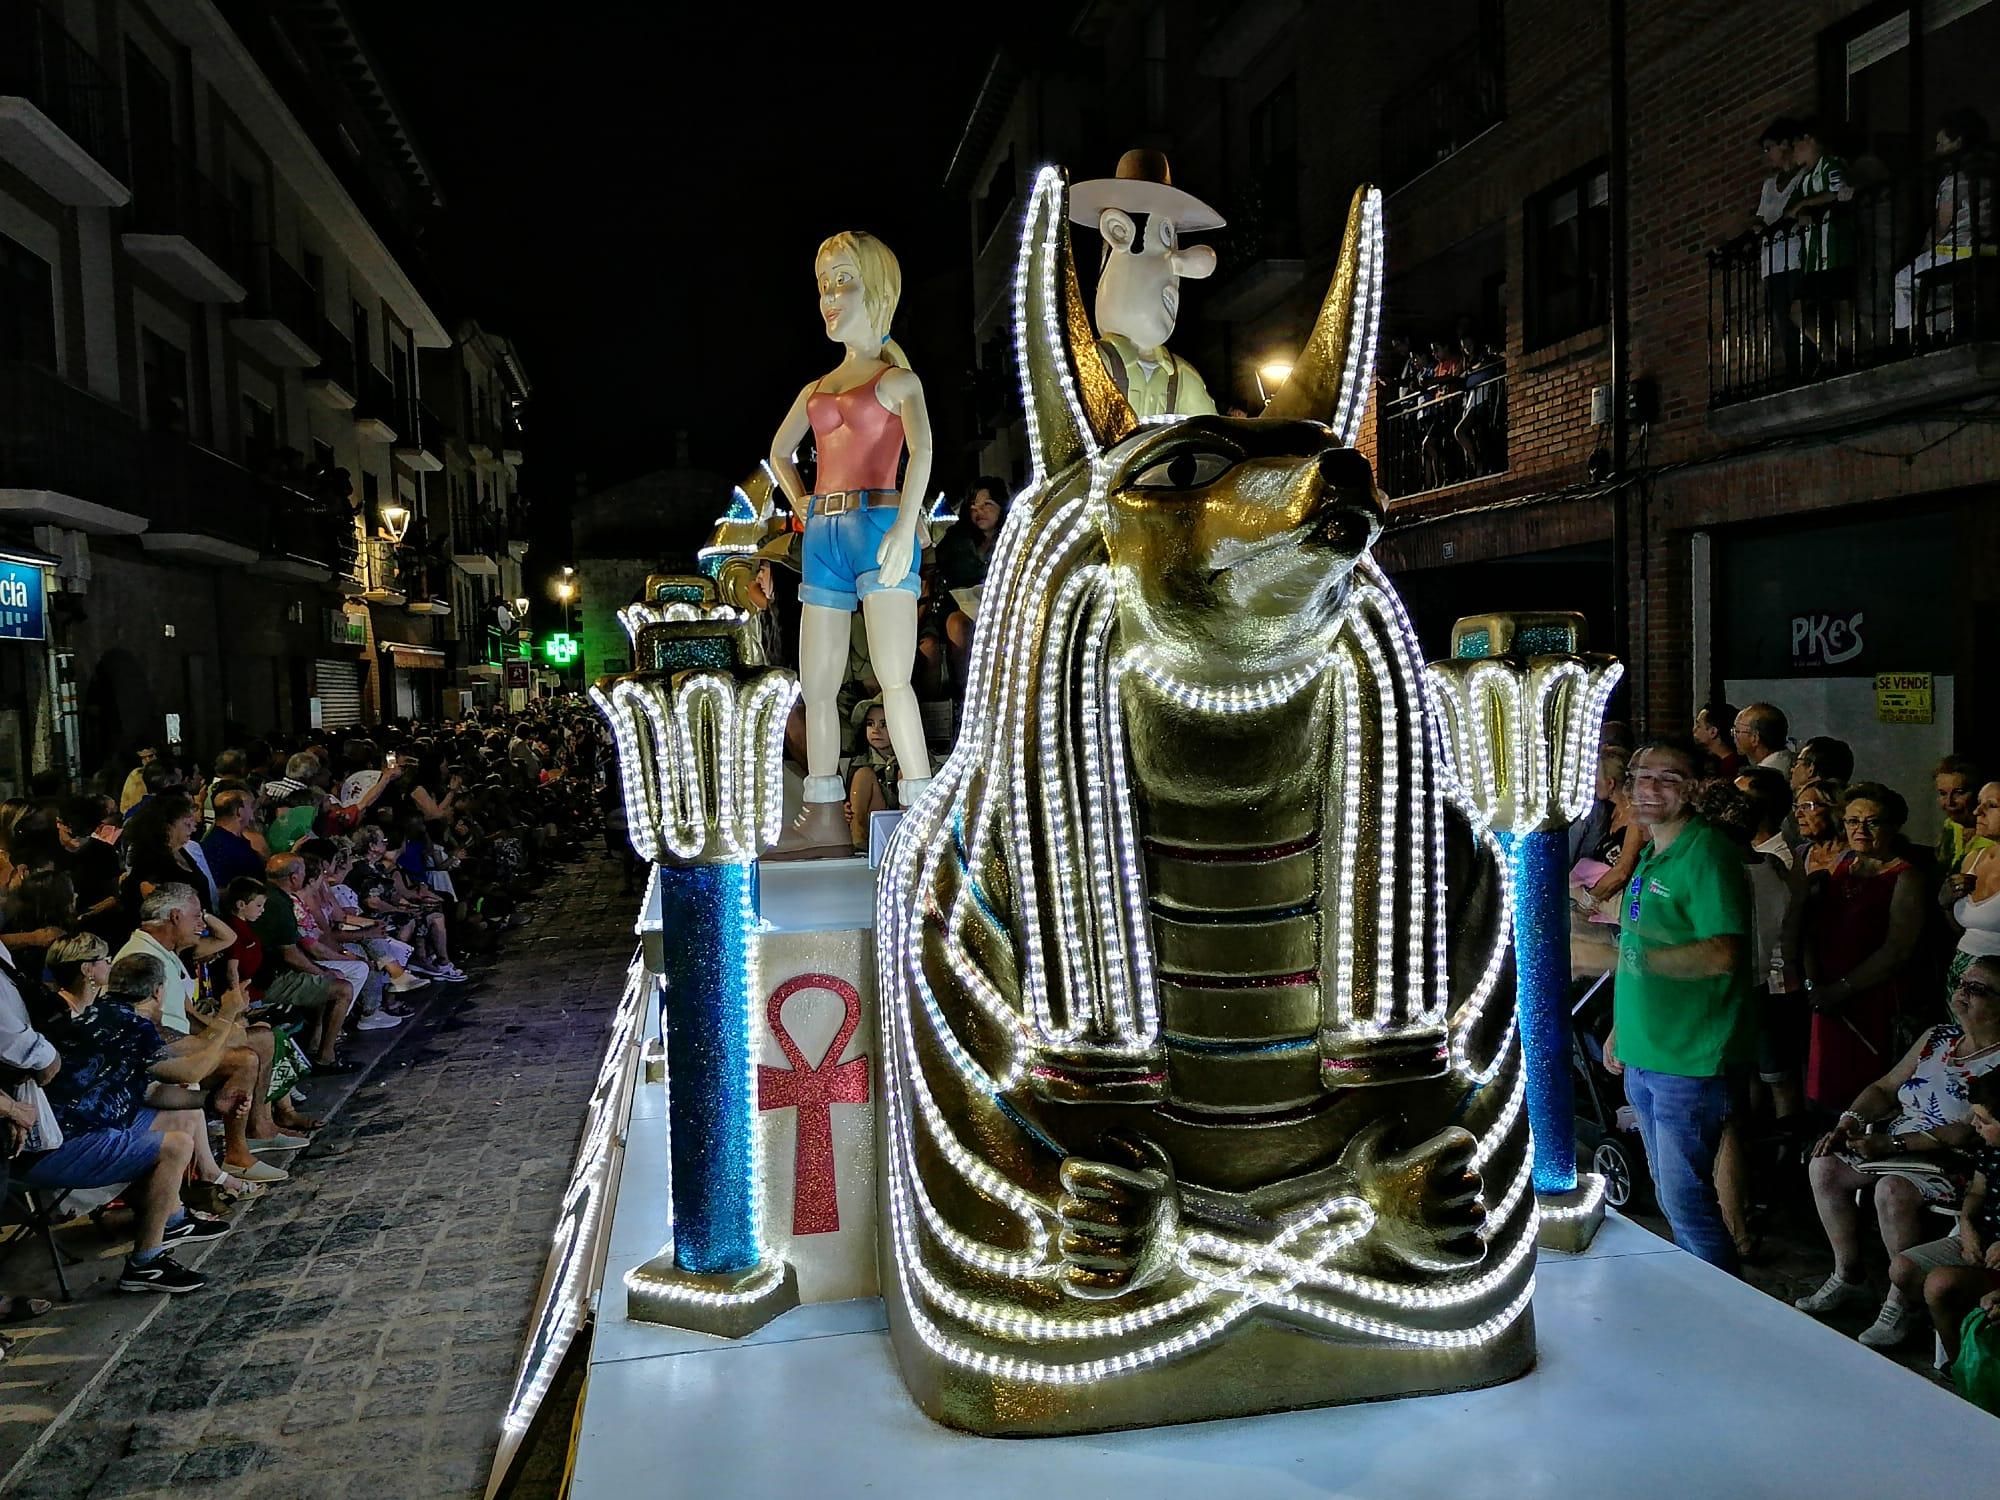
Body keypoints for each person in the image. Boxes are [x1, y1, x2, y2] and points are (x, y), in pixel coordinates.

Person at [1603, 739, 1757, 1272]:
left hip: (1689, 1060)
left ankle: (1725, 1314)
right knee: (1672, 1200)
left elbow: (1723, 952)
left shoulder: (1707, 852)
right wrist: (1621, 1029)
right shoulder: (1651, 851)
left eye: (1667, 778)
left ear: (1693, 789)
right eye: (1641, 776)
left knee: (1688, 1204)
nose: (1649, 788)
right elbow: (1638, 945)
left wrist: (1632, 959)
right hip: (1647, 1051)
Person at [1798, 956, 2000, 1347]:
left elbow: (1970, 1134)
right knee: (1824, 1165)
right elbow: (1884, 1088)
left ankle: (1901, 1301)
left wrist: (1893, 1144)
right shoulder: (1938, 1038)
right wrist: (1849, 1123)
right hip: (1896, 1145)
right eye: (1963, 982)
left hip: (1954, 1161)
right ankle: (1849, 1275)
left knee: (1892, 1189)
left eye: (1978, 989)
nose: (1963, 993)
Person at [1800, 783, 1925, 1111]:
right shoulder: (1840, 864)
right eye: (1853, 822)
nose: (1860, 830)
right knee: (1824, 1087)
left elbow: (1897, 950)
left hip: (1871, 996)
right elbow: (1811, 927)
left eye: (1872, 822)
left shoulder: (1905, 877)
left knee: (1863, 1086)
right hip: (1826, 996)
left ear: (1894, 826)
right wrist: (1816, 984)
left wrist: (1841, 989)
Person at [1902, 1071, 2000, 1368]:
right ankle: (1962, 1361)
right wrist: (1967, 1226)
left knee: (1940, 1285)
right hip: (1981, 1242)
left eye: (1984, 1121)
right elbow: (1976, 1193)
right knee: (1904, 1268)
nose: (1975, 1126)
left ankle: (1964, 1367)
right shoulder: (1990, 1151)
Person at [1893, 108, 1995, 339]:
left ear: (1957, 142)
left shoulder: (1953, 181)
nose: (1936, 150)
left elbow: (1942, 226)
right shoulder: (1988, 175)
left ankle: (1909, 338)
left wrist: (1925, 245)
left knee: (1903, 278)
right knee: (1942, 284)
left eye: (1941, 143)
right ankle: (1946, 331)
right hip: (1986, 244)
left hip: (1958, 247)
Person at [254, 854, 360, 1070]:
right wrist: (321, 972)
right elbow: (290, 954)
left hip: (272, 973)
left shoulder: (270, 896)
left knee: (325, 981)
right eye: (302, 871)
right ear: (293, 878)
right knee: (343, 989)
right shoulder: (280, 905)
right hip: (270, 980)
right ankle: (326, 1057)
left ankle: (315, 1042)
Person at [1747, 117, 1807, 377]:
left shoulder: (1803, 176)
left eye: (1769, 148)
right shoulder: (1769, 185)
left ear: (1785, 145)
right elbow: (1760, 217)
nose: (1767, 155)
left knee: (1799, 311)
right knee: (1780, 319)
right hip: (1771, 262)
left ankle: (1809, 361)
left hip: (1795, 255)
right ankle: (1794, 366)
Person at [1942, 781, 2000, 1011]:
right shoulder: (1973, 859)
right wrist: (1946, 903)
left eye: (1992, 805)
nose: (1977, 812)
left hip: (1994, 982)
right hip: (1960, 972)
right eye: (1978, 804)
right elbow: (1963, 928)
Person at [845, 699, 899, 852]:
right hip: (873, 822)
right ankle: (858, 841)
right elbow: (849, 800)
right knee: (863, 775)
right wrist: (845, 809)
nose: (876, 730)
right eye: (870, 724)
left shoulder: (917, 757)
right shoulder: (860, 762)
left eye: (884, 724)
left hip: (903, 822)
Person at [200, 789, 265, 890]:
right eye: (251, 806)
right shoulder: (218, 846)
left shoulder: (237, 840)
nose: (253, 811)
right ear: (239, 812)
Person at [1935, 755, 1988, 872]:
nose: (1949, 802)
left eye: (1959, 793)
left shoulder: (1993, 836)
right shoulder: (1950, 826)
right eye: (1943, 793)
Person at [1730, 702, 1791, 776]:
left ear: (1755, 738)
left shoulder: (1764, 777)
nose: (1733, 735)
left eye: (1737, 731)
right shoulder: (1790, 761)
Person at [1693, 702, 1742, 778]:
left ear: (1713, 732)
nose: (1694, 730)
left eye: (1698, 726)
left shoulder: (1731, 769)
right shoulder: (1714, 762)